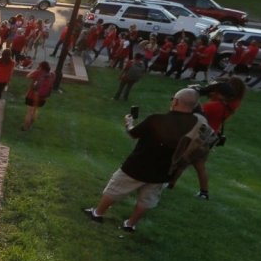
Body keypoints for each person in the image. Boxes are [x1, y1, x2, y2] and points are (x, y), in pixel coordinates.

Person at [84, 89, 201, 231]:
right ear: (194, 106)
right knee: (146, 200)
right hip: (164, 170)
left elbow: (133, 133)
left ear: (175, 101)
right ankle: (130, 225)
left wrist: (129, 122)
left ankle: (97, 213)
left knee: (115, 189)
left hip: (138, 165)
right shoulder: (196, 124)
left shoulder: (156, 119)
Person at [172, 78, 245, 200]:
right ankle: (204, 192)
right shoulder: (234, 103)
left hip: (200, 135)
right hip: (211, 135)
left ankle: (170, 184)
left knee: (182, 161)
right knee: (200, 165)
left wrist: (195, 94)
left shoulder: (213, 106)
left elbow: (194, 112)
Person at [22, 61, 55, 131]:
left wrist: (36, 70)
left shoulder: (37, 72)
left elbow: (27, 76)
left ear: (40, 67)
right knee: (35, 110)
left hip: (31, 96)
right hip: (42, 98)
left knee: (29, 112)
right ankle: (31, 125)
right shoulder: (52, 74)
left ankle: (24, 127)